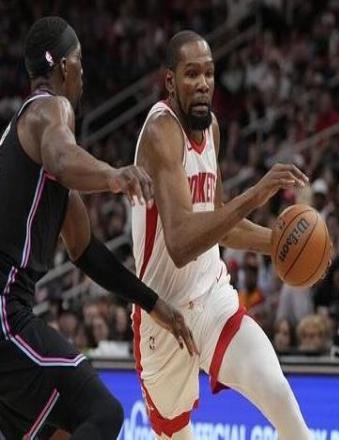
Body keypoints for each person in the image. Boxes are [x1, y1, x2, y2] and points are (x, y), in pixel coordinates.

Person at [0, 17, 196, 440]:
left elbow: (86, 252)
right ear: (64, 67)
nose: (84, 73)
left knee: (60, 432)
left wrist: (153, 303)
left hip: (9, 318)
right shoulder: (49, 108)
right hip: (5, 313)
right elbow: (62, 156)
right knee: (103, 413)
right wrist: (112, 175)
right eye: (80, 62)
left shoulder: (29, 152)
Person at [131, 30, 311, 439]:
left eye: (209, 73)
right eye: (191, 74)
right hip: (163, 315)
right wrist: (255, 195)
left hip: (212, 298)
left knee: (279, 395)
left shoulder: (211, 128)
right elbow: (180, 243)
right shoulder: (161, 132)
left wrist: (278, 244)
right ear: (170, 81)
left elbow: (217, 222)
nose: (203, 83)